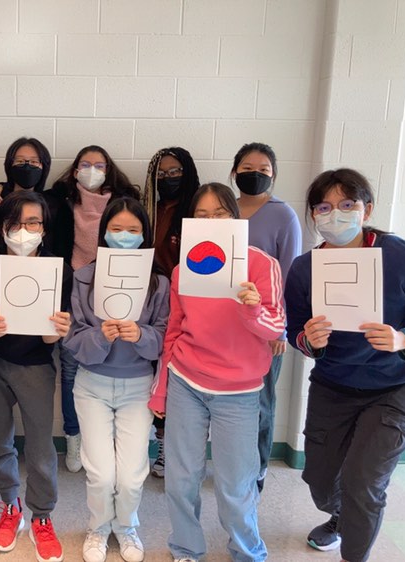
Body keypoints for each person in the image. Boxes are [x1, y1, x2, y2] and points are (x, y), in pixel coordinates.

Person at [285, 168, 405, 562]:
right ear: (313, 215)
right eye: (324, 207)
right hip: (335, 384)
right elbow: (293, 331)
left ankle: (354, 552)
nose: (336, 215)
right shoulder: (304, 269)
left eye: (347, 205)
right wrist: (309, 341)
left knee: (364, 482)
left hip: (400, 385)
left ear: (367, 210)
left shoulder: (402, 257)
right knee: (321, 481)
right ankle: (340, 516)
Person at [150, 183, 284, 562]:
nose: (212, 222)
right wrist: (161, 391)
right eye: (202, 215)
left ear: (235, 217)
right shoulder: (182, 271)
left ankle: (248, 552)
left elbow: (276, 328)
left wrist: (252, 308)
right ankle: (186, 549)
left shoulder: (260, 264)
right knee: (180, 479)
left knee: (234, 484)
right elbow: (174, 331)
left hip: (239, 391)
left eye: (221, 214)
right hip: (186, 382)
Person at [64, 196, 169, 562]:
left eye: (134, 230)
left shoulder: (158, 283)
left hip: (138, 386)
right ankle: (98, 528)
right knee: (100, 473)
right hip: (92, 384)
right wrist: (100, 335)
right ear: (104, 232)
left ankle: (127, 527)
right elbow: (74, 341)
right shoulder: (84, 277)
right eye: (117, 229)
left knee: (131, 475)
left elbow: (162, 340)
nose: (124, 236)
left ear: (146, 235)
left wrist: (141, 335)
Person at [0, 191, 71, 562]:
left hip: (36, 364)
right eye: (15, 223)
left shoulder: (56, 268)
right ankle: (10, 506)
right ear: (3, 228)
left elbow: (52, 335)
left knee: (40, 446)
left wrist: (56, 331)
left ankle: (42, 517)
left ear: (44, 229)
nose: (24, 231)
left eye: (33, 222)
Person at [43, 144, 140, 473]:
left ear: (109, 169)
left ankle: (110, 441)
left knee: (114, 363)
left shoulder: (125, 203)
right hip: (74, 291)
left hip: (119, 291)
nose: (92, 170)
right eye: (86, 164)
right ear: (74, 170)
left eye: (100, 165)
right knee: (71, 369)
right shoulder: (59, 201)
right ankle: (74, 436)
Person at [230, 142, 302, 491]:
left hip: (265, 327)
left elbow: (289, 276)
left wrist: (280, 330)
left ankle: (257, 468)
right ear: (234, 172)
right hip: (224, 326)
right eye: (246, 168)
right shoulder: (223, 212)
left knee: (262, 401)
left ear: (273, 175)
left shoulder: (283, 215)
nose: (254, 174)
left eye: (263, 169)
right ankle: (231, 465)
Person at [141, 146, 200, 478]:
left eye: (175, 172)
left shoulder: (195, 212)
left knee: (179, 376)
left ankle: (177, 451)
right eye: (162, 173)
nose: (168, 178)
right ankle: (161, 445)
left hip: (187, 305)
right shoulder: (148, 209)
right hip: (151, 302)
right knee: (156, 377)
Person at [0, 137, 52, 252]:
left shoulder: (53, 206)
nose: (27, 167)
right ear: (9, 165)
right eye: (20, 161)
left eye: (34, 162)